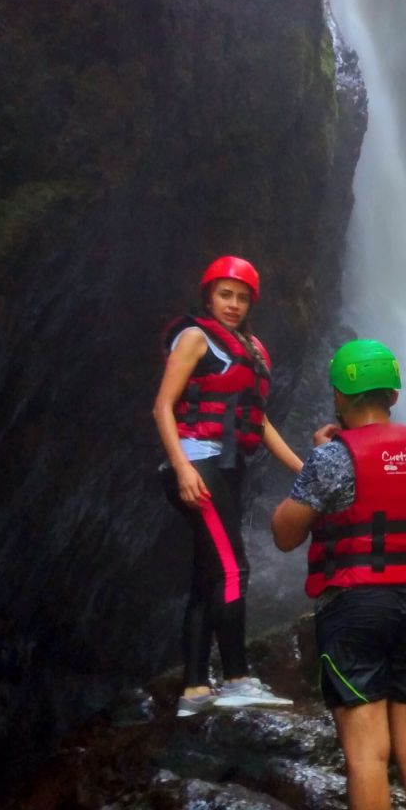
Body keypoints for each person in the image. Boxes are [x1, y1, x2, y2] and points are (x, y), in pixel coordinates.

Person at [270, 339, 406, 810]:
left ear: (339, 395)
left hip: (356, 606)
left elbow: (284, 532)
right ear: (393, 393)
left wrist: (324, 458)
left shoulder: (332, 458)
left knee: (367, 753)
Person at [154, 255, 303, 716]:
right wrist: (181, 468)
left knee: (207, 578)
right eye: (225, 295)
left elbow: (259, 420)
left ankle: (195, 690)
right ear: (208, 296)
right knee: (234, 570)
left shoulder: (252, 348)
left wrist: (303, 468)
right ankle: (237, 678)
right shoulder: (196, 338)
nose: (233, 304)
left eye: (241, 297)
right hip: (200, 466)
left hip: (230, 467)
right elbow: (163, 406)